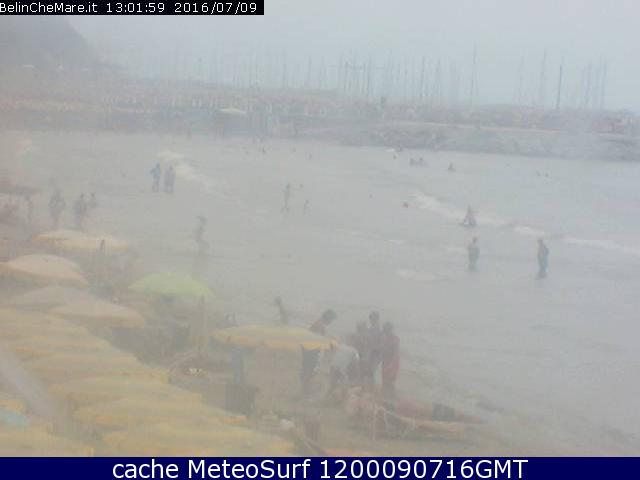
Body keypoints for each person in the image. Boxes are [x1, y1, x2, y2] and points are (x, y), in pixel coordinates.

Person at [301, 309, 336, 396]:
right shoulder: (320, 325)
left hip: (309, 349)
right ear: (328, 318)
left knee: (309, 369)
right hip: (310, 350)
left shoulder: (319, 323)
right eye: (331, 320)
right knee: (309, 369)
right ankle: (306, 390)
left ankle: (306, 389)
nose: (331, 322)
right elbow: (320, 339)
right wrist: (331, 344)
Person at [380, 321, 400, 398]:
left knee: (390, 382)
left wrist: (391, 365)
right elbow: (382, 351)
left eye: (386, 330)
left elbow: (396, 354)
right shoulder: (384, 338)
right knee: (384, 380)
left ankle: (392, 397)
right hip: (385, 362)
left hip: (393, 363)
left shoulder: (395, 339)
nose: (385, 332)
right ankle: (385, 396)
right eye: (384, 330)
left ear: (390, 330)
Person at [365, 311, 383, 385]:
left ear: (377, 319)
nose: (372, 321)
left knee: (372, 371)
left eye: (374, 319)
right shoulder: (369, 329)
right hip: (370, 352)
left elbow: (381, 343)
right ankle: (370, 385)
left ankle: (372, 385)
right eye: (371, 319)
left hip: (376, 353)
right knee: (369, 371)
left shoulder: (380, 330)